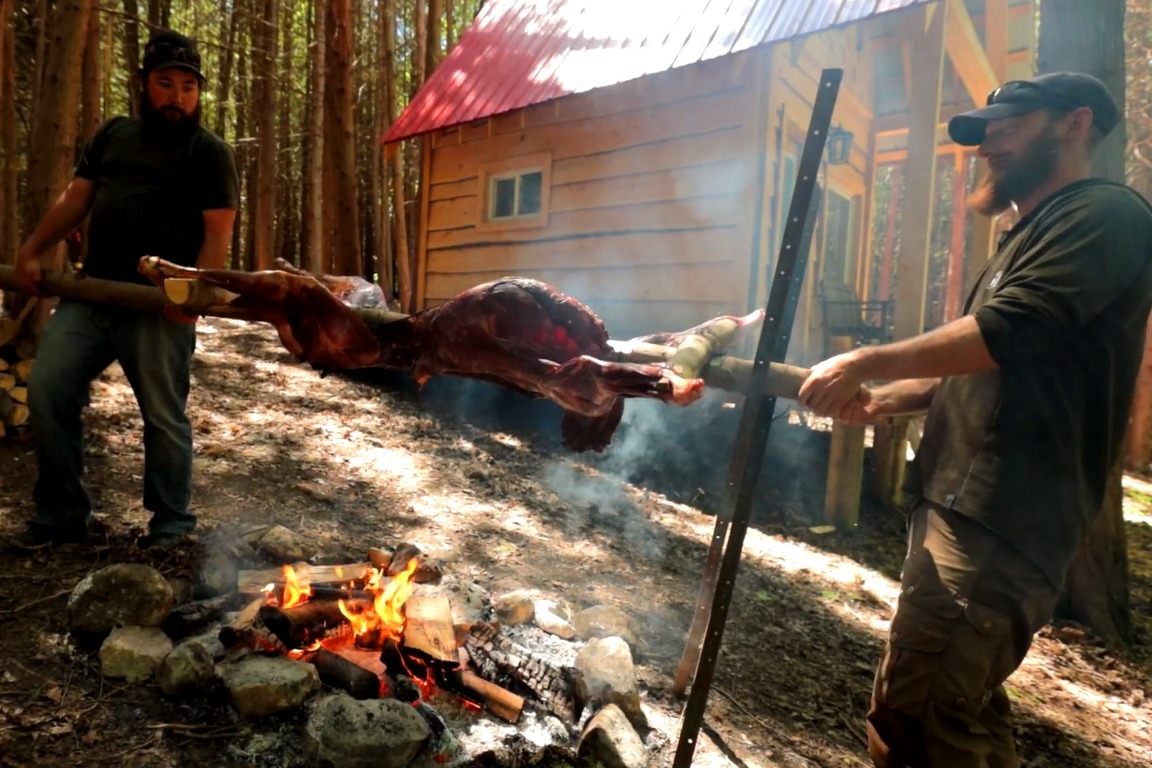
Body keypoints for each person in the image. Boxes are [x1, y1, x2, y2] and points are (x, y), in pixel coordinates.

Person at [798, 73, 1152, 766]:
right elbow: (992, 358)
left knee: (920, 721)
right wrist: (890, 397)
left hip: (1003, 515)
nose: (988, 141)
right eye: (983, 128)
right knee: (958, 713)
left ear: (1076, 124)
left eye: (1010, 123)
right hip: (963, 505)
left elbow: (1010, 330)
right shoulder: (1027, 234)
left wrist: (865, 358)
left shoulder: (1107, 216)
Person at [10, 29, 239, 551]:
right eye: (165, 83)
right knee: (47, 390)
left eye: (188, 86)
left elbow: (218, 232)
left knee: (163, 415)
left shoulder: (209, 153)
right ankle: (61, 515)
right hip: (91, 295)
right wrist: (32, 249)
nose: (177, 96)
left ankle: (170, 525)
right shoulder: (113, 135)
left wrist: (192, 299)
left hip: (158, 307)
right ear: (144, 84)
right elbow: (76, 200)